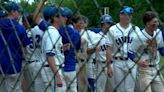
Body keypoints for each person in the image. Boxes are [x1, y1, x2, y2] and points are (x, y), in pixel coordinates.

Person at [106, 6, 140, 92]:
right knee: (119, 89)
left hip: (131, 61)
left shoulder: (136, 29)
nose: (127, 17)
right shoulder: (112, 29)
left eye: (129, 15)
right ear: (120, 15)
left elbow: (141, 46)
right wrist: (109, 66)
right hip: (117, 62)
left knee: (130, 89)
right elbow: (109, 49)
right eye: (124, 14)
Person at [128, 11, 164, 92]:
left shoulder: (158, 33)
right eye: (154, 22)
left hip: (156, 68)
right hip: (144, 70)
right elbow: (130, 53)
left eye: (157, 21)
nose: (157, 23)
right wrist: (138, 61)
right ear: (148, 24)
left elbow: (161, 49)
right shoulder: (139, 37)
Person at [0, 2, 31, 92]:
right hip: (14, 64)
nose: (19, 14)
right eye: (18, 11)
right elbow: (26, 46)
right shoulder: (19, 27)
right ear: (12, 12)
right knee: (15, 89)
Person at [41, 6, 66, 92]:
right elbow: (49, 55)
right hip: (52, 70)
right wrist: (57, 76)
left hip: (50, 69)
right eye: (63, 16)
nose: (65, 18)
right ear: (55, 18)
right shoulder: (53, 32)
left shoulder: (50, 31)